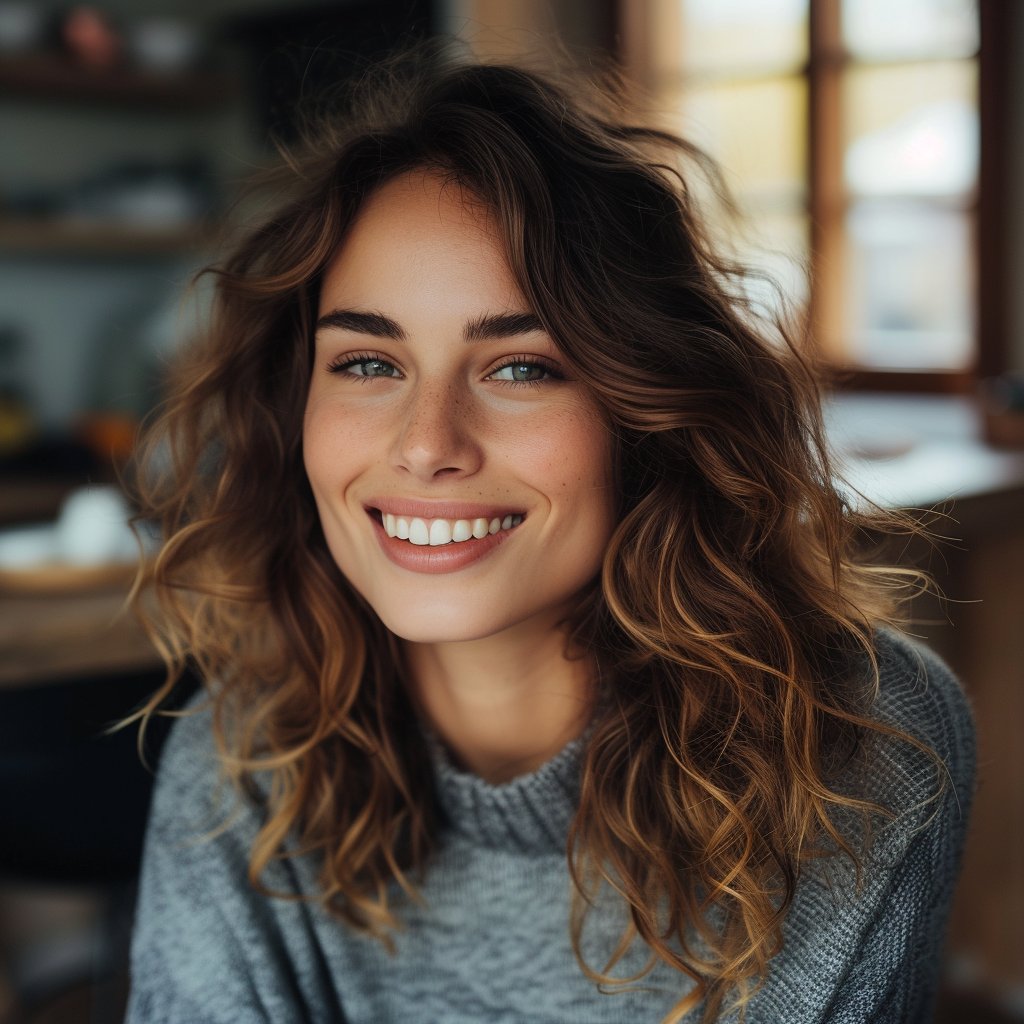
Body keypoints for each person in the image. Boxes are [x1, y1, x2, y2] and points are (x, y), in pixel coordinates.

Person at [125, 55, 974, 1024]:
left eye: (521, 368)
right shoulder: (241, 757)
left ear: (642, 411)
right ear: (295, 408)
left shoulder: (859, 745)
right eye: (367, 360)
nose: (426, 444)